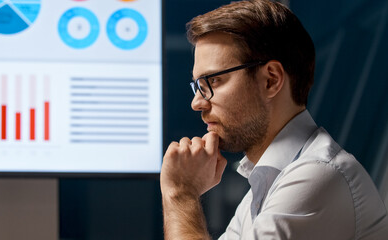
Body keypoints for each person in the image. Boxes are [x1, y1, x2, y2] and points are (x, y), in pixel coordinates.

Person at [160, 0, 388, 239]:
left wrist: (181, 194)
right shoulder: (267, 188)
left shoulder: (316, 176)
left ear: (271, 79)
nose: (196, 103)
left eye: (213, 81)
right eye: (197, 85)